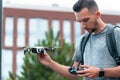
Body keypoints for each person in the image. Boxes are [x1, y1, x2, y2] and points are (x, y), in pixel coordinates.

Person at [37, 0, 120, 80]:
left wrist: (100, 72)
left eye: (86, 20)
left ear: (98, 14)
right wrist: (50, 63)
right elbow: (75, 74)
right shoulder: (83, 40)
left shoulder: (116, 34)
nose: (83, 26)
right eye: (80, 22)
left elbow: (98, 72)